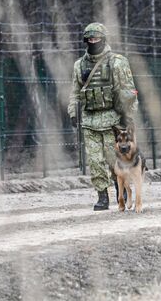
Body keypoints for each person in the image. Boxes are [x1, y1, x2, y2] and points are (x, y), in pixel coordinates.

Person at [68, 22, 138, 211]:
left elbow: (129, 90)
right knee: (94, 162)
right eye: (90, 39)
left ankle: (121, 191)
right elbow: (74, 92)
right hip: (89, 120)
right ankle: (102, 197)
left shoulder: (117, 61)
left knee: (113, 160)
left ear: (103, 39)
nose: (93, 42)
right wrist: (73, 113)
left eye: (96, 38)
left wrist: (128, 117)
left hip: (112, 120)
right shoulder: (79, 65)